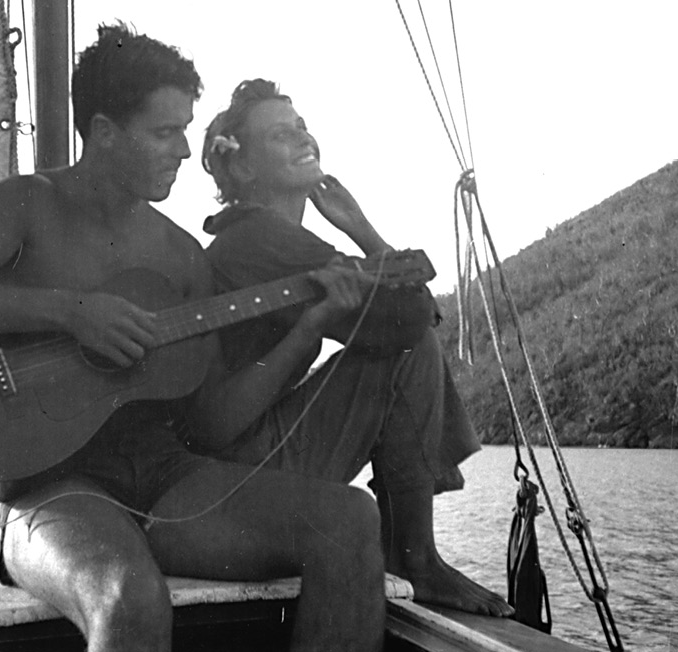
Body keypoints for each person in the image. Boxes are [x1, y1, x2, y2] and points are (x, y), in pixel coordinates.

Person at [0, 26, 387, 652]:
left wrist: (306, 331)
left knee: (349, 519)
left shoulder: (180, 255)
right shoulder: (27, 205)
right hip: (43, 488)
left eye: (185, 128)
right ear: (105, 131)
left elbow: (213, 424)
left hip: (163, 477)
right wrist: (70, 312)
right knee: (128, 594)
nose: (183, 148)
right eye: (164, 132)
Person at [195, 78, 514, 617]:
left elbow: (408, 310)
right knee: (410, 350)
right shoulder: (260, 239)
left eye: (301, 127)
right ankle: (414, 558)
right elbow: (412, 318)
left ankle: (411, 552)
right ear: (244, 169)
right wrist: (361, 228)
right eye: (280, 134)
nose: (304, 138)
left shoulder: (254, 235)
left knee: (408, 344)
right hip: (240, 473)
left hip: (239, 460)